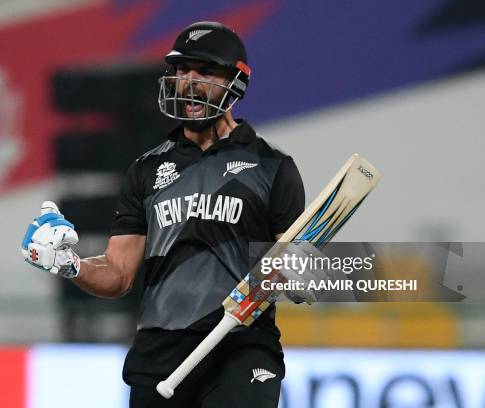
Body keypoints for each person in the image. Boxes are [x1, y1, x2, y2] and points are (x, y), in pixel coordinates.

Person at [21, 21, 305, 407]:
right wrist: (70, 265)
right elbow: (118, 274)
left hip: (240, 349)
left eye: (204, 71)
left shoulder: (273, 168)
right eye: (181, 70)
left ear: (236, 81)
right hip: (159, 356)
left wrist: (304, 271)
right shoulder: (146, 170)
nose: (188, 81)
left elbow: (302, 277)